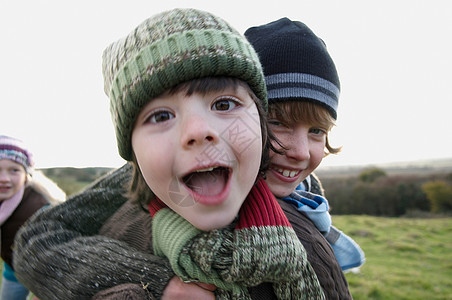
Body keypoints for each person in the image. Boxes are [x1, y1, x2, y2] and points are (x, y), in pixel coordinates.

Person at [13, 9, 326, 300]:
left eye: (224, 105)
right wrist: (157, 281)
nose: (298, 152)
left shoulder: (308, 228)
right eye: (161, 116)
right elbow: (37, 239)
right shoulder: (143, 181)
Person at [245, 18, 365, 272]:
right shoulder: (200, 206)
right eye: (278, 122)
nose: (300, 152)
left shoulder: (310, 198)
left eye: (316, 131)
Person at [0, 135, 65, 300]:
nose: (4, 179)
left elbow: (56, 252)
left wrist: (43, 292)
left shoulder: (39, 209)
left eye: (14, 170)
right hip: (13, 266)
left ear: (26, 174)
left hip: (43, 273)